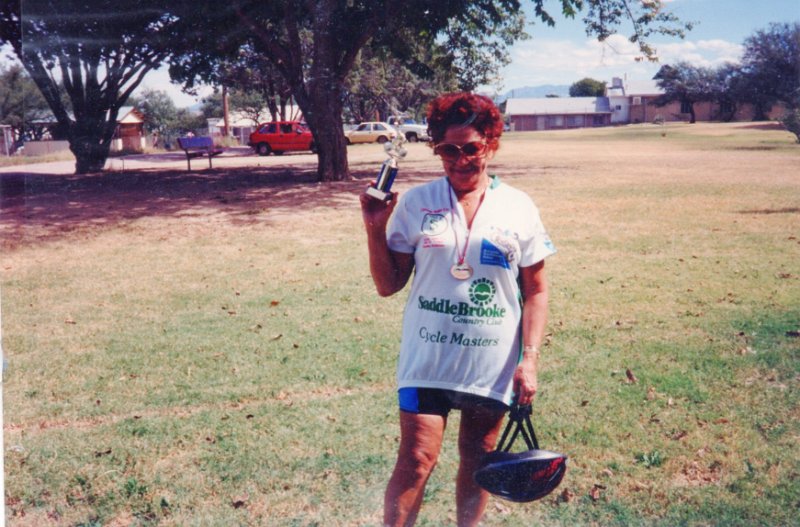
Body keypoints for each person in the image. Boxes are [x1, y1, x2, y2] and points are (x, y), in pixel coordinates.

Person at [360, 92, 556, 526]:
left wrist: (530, 360)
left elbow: (536, 290)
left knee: (478, 462)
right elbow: (388, 285)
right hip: (427, 357)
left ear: (491, 143)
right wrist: (375, 228)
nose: (461, 159)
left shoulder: (518, 206)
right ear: (437, 149)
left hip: (490, 361)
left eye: (472, 148)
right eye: (449, 149)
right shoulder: (416, 203)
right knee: (416, 459)